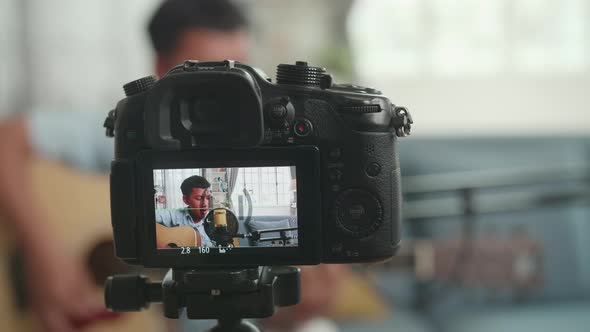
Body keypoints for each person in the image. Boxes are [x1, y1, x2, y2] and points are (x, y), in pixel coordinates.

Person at [0, 1, 344, 331]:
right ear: (162, 68)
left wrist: (290, 307)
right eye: (205, 71)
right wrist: (46, 257)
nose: (227, 88)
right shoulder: (133, 127)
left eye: (239, 68)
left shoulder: (275, 144)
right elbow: (6, 140)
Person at [156, 175, 215, 248]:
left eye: (208, 198)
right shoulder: (174, 215)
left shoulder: (213, 225)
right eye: (199, 198)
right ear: (186, 199)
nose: (205, 204)